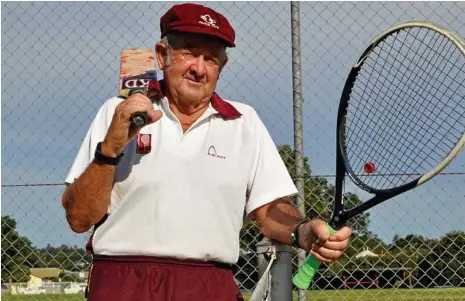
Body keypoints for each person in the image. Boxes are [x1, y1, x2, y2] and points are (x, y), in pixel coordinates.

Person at [61, 3, 352, 301]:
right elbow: (78, 218)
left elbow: (268, 209)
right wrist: (110, 147)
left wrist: (303, 231)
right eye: (188, 52)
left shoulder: (244, 122)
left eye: (211, 59)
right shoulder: (118, 112)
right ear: (162, 55)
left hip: (209, 283)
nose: (198, 68)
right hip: (123, 282)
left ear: (222, 67)